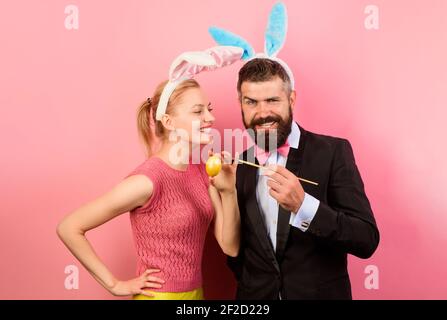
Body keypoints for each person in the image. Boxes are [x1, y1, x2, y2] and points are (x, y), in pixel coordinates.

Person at [208, 2, 380, 299]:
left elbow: (366, 240)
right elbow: (237, 255)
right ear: (241, 104)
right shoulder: (239, 164)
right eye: (251, 102)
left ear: (292, 99)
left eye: (273, 100)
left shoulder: (333, 152)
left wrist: (304, 206)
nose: (262, 113)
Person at [56, 47, 243, 300]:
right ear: (168, 122)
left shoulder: (202, 171)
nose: (210, 118)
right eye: (198, 111)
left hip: (196, 296)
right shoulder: (147, 181)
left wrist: (229, 191)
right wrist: (115, 285)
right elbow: (69, 227)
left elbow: (230, 247)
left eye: (209, 109)